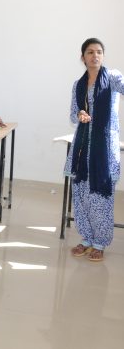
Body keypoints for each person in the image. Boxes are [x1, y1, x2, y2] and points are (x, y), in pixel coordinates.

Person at [64, 38, 124, 262]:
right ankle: (87, 238)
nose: (95, 55)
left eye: (99, 52)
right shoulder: (78, 85)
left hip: (104, 150)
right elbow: (73, 115)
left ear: (103, 56)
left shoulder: (113, 78)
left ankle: (100, 242)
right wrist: (80, 113)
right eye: (90, 52)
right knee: (80, 194)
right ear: (83, 57)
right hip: (82, 147)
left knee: (100, 196)